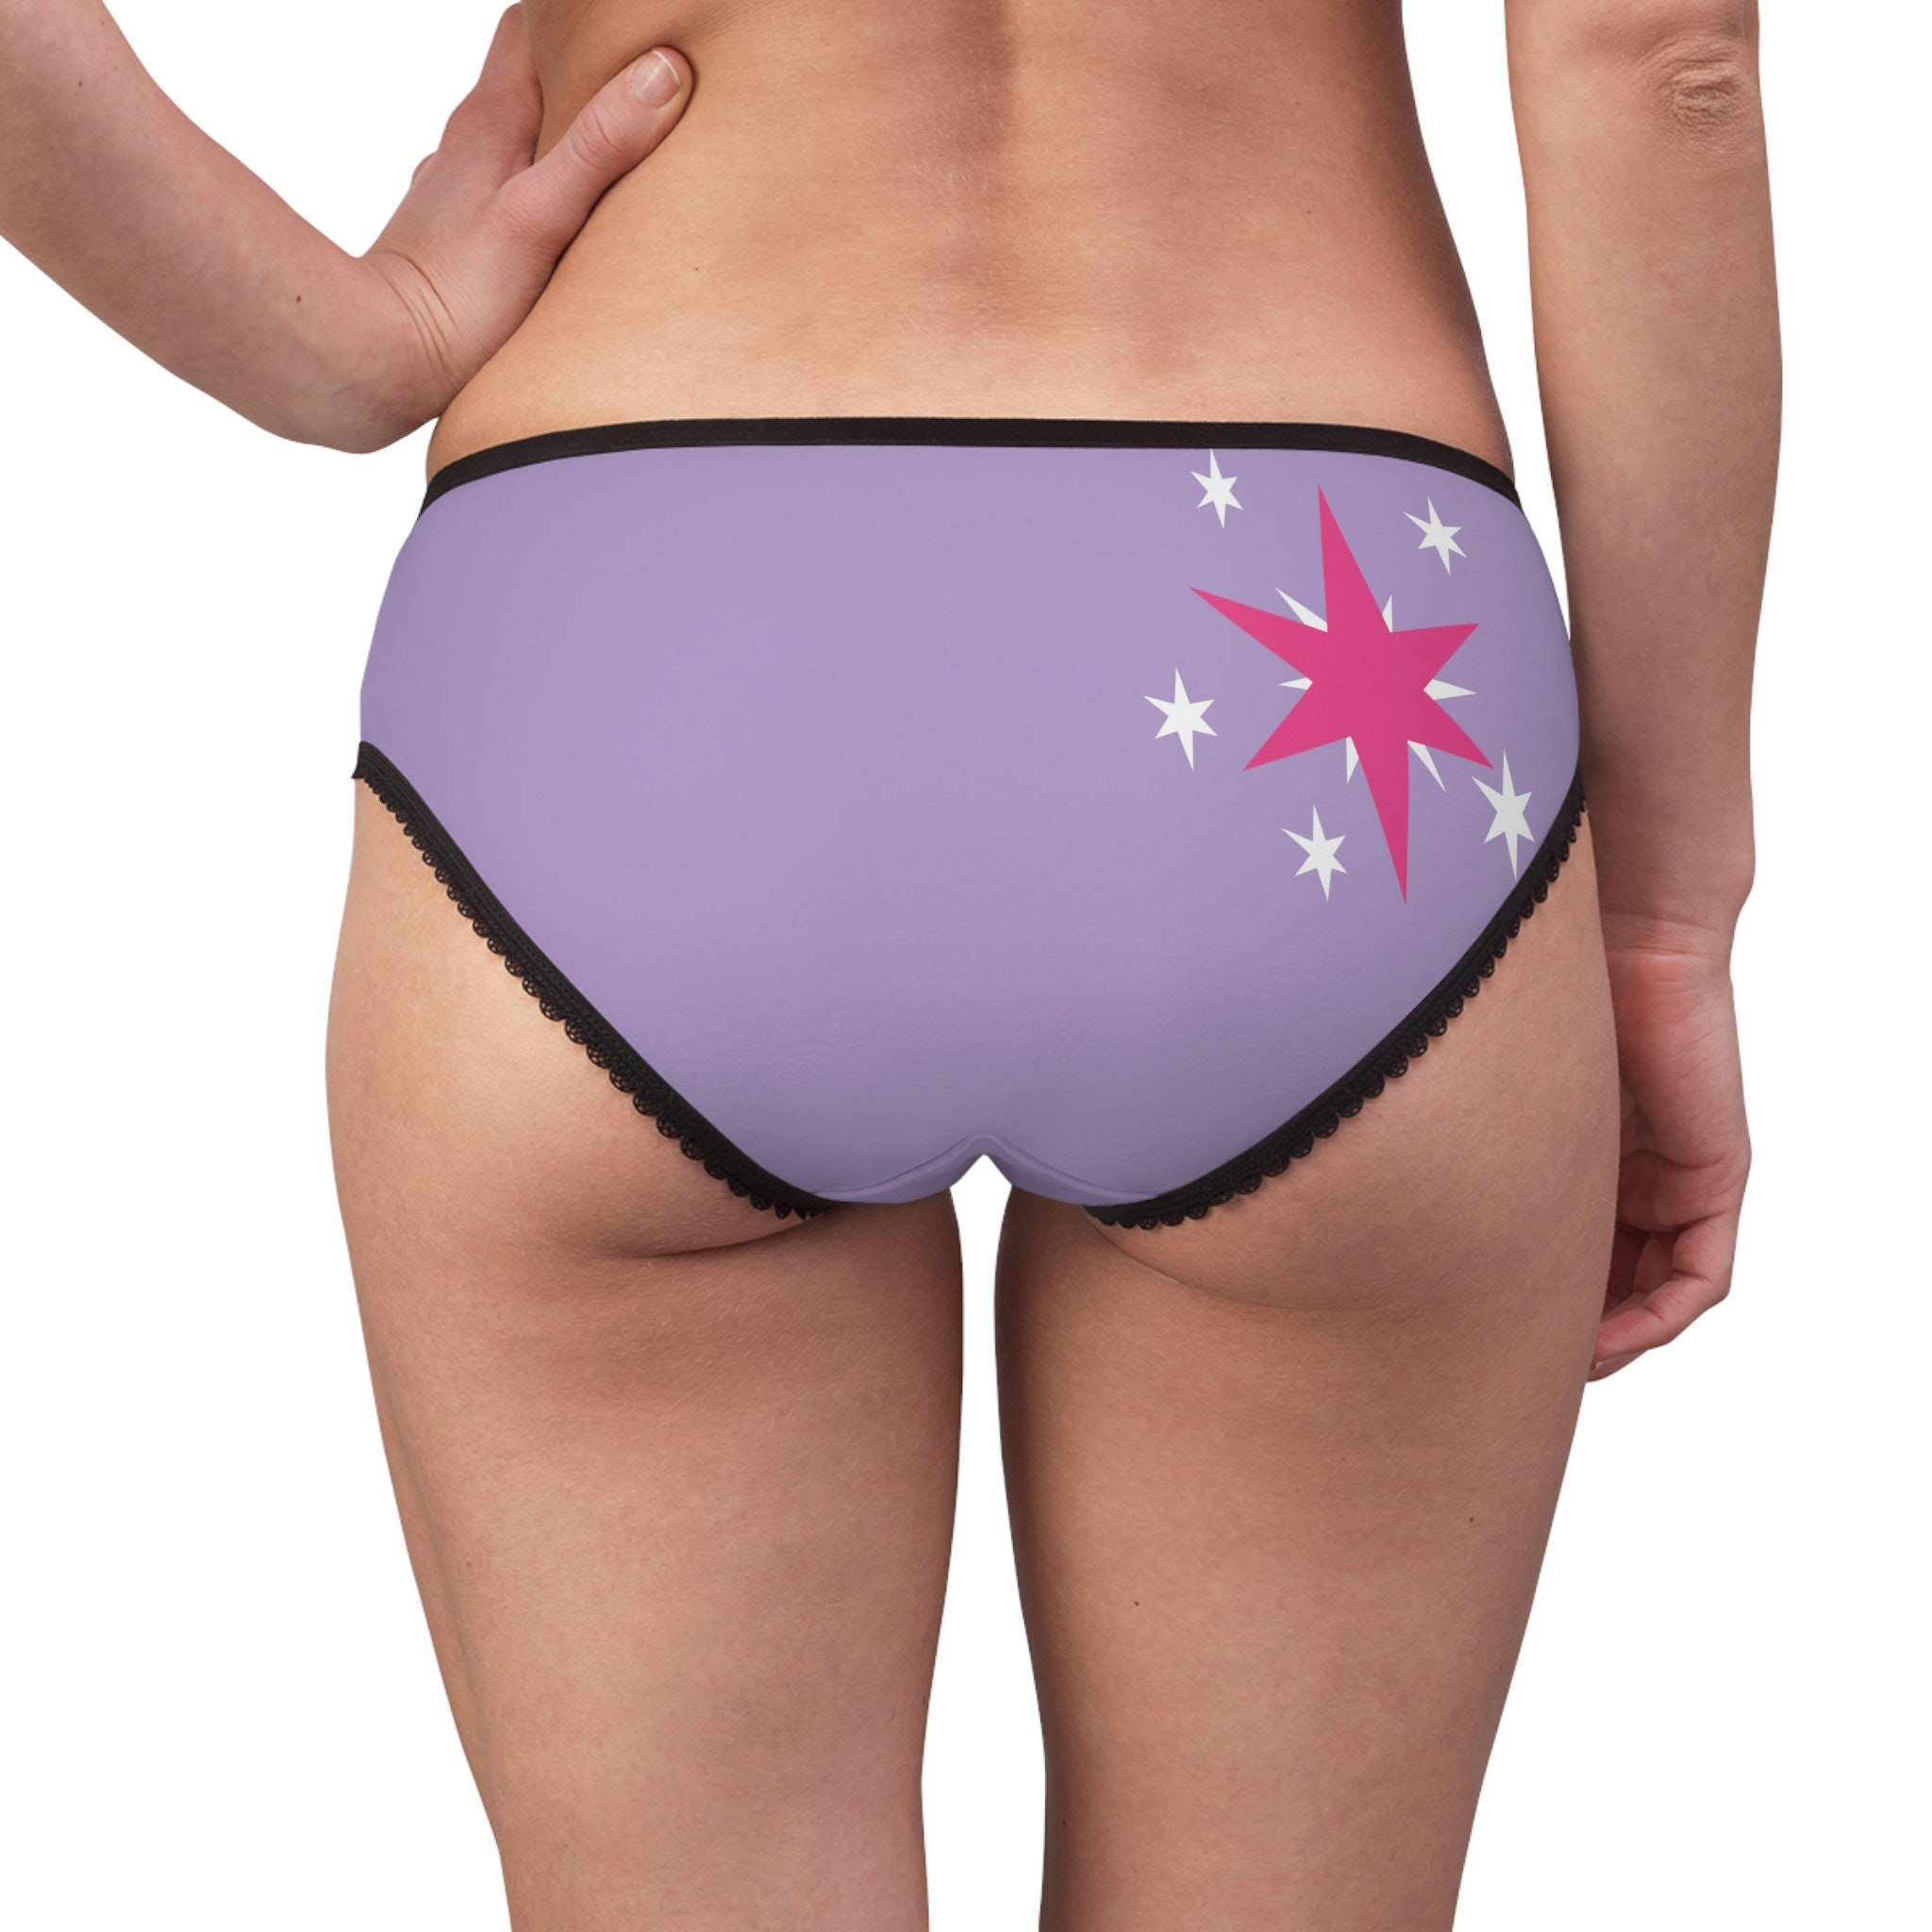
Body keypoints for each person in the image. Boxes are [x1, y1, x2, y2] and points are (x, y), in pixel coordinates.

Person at [1, 1, 1775, 1924]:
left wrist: (347, 346)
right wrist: (1663, 909)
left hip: (639, 637)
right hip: (1325, 645)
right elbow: (1649, 56)